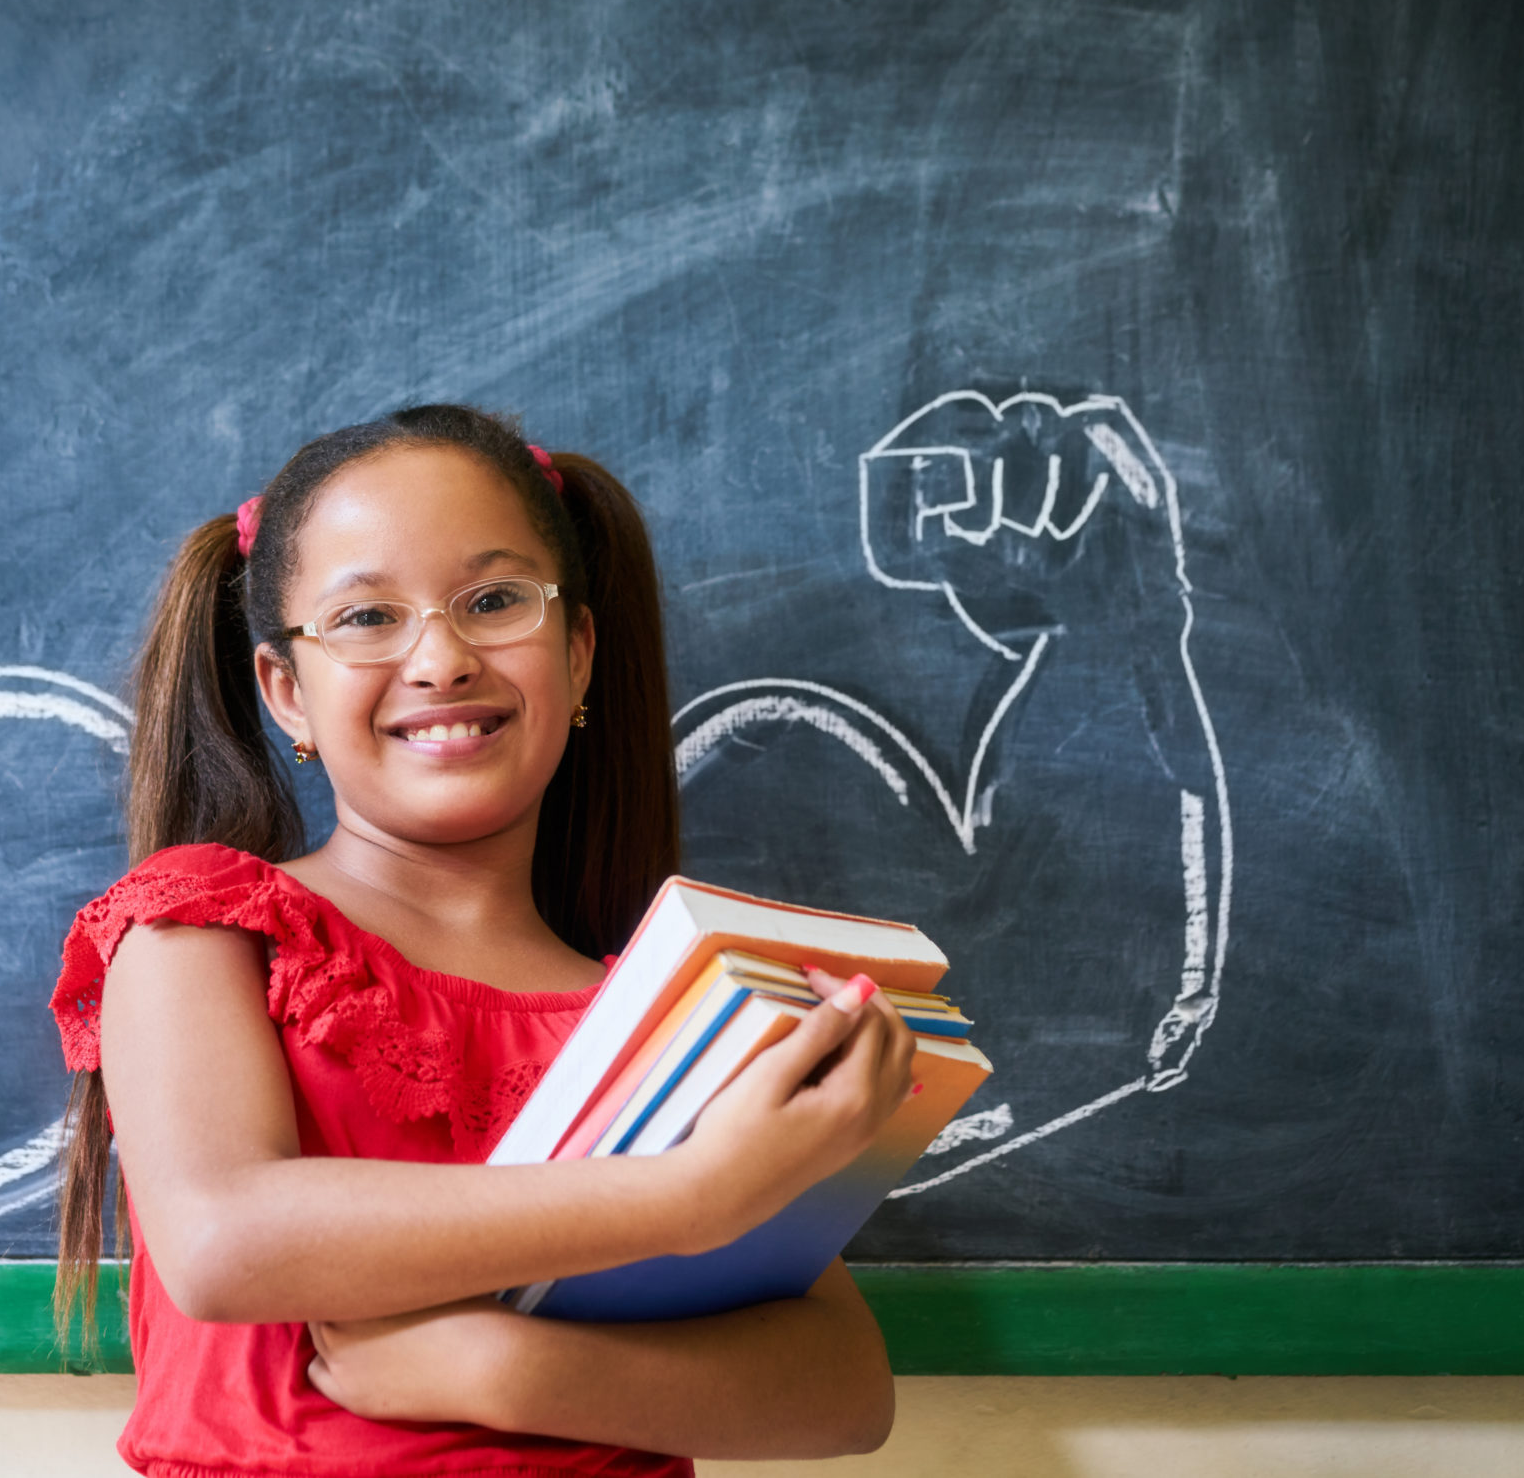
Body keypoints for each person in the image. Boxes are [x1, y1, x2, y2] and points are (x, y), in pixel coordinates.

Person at [49, 404, 917, 1475]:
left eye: (496, 600)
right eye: (367, 618)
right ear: (287, 692)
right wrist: (686, 1196)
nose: (441, 658)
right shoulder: (202, 924)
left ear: (579, 653)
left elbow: (842, 1391)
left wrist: (502, 1372)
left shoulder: (667, 1011)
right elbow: (227, 1238)